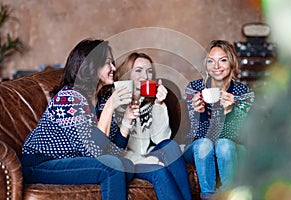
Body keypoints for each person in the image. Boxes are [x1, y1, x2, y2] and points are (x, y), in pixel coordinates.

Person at [21, 39, 137, 200]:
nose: (114, 68)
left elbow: (113, 152)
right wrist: (111, 106)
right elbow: (94, 153)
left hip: (74, 160)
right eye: (107, 63)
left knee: (127, 166)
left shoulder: (103, 100)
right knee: (114, 168)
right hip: (41, 164)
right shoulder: (68, 98)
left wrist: (126, 121)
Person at [96, 52, 192, 200]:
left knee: (170, 145)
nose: (145, 76)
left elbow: (161, 138)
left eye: (149, 71)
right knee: (159, 170)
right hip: (126, 160)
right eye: (138, 70)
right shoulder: (113, 101)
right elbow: (114, 148)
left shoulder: (150, 101)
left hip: (149, 154)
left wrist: (159, 105)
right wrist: (146, 160)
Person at [183, 40, 255, 200]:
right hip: (198, 145)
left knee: (224, 144)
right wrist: (199, 114)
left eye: (222, 60)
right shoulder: (194, 89)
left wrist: (229, 112)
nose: (216, 66)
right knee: (204, 144)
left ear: (232, 62)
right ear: (206, 65)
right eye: (211, 61)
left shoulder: (244, 93)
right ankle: (208, 196)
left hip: (234, 146)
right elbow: (198, 135)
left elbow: (239, 135)